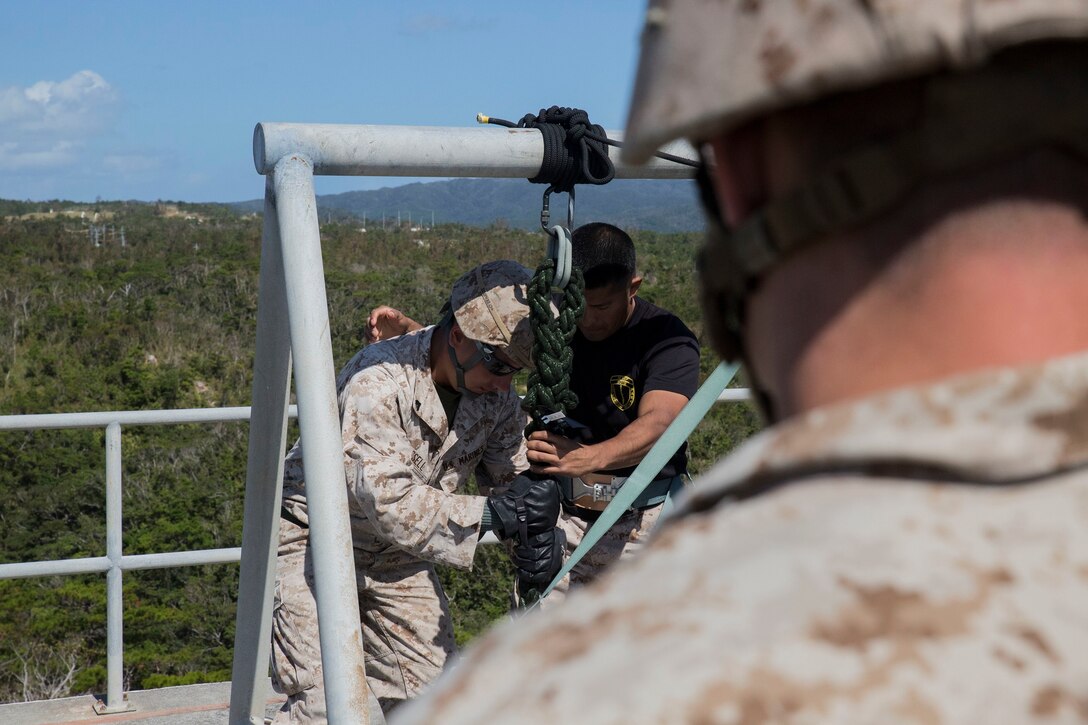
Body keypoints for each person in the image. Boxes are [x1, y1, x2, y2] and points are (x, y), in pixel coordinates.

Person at [392, 2, 1088, 722]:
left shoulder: (558, 693)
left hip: (634, 522)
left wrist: (584, 457)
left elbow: (661, 423)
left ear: (740, 175)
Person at [270, 260, 565, 723]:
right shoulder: (377, 382)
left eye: (516, 370)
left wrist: (536, 533)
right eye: (497, 364)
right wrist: (494, 517)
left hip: (397, 560)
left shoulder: (497, 397)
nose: (504, 382)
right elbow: (388, 500)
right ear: (458, 336)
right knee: (322, 707)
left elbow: (510, 480)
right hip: (316, 545)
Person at [367, 222, 701, 603]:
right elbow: (490, 348)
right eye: (580, 305)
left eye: (603, 306)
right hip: (563, 518)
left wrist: (589, 458)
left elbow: (662, 423)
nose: (588, 319)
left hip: (643, 523)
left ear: (633, 288)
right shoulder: (557, 323)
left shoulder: (663, 337)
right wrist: (421, 336)